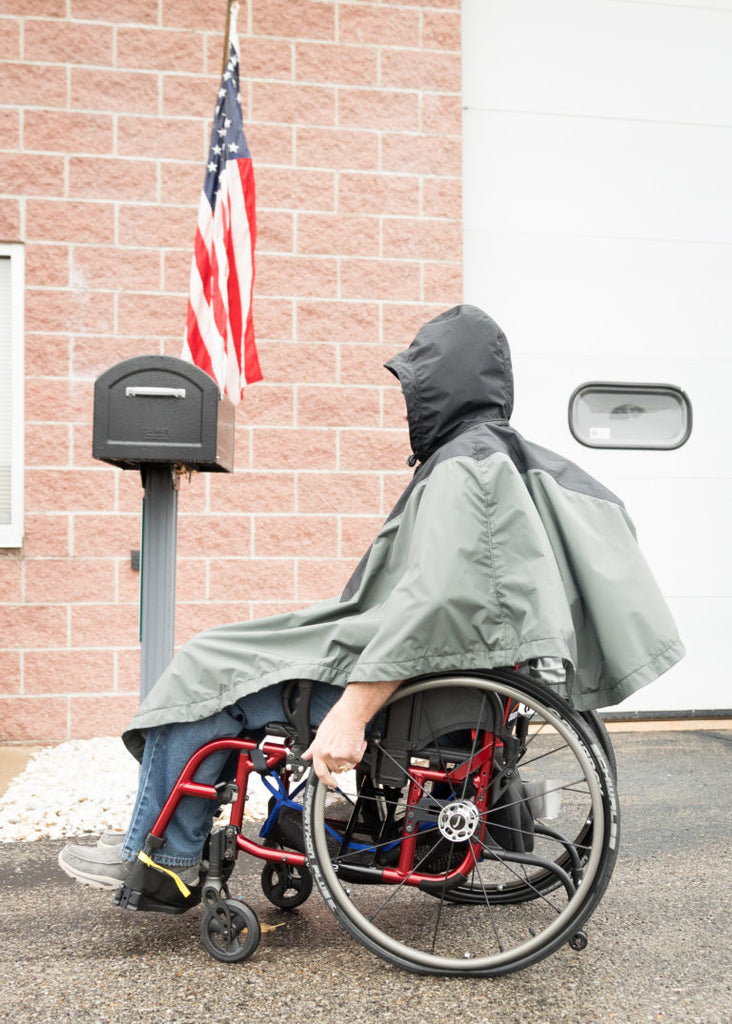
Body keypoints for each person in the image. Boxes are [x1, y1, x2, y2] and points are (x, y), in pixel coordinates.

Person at [59, 304, 684, 891]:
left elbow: (432, 606)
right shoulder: (499, 459)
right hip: (427, 667)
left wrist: (352, 715)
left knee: (205, 664)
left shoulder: (464, 469)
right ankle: (177, 838)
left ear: (439, 387)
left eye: (415, 388)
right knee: (228, 653)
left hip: (398, 676)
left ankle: (161, 859)